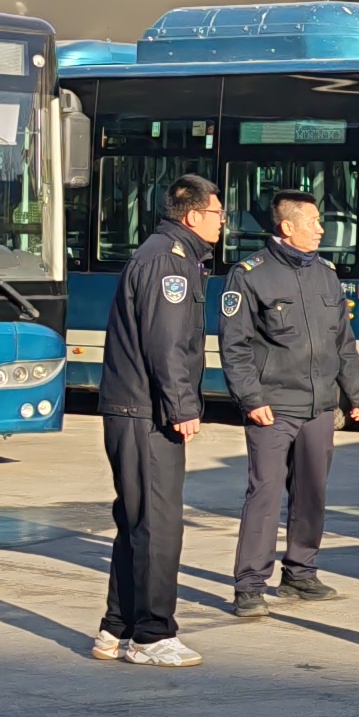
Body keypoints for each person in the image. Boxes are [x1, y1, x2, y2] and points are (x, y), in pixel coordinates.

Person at [223, 191, 359, 620]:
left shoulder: (326, 274)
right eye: (313, 222)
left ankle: (300, 573)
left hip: (319, 406)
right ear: (287, 227)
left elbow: (343, 343)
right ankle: (250, 586)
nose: (321, 230)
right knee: (265, 494)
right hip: (272, 407)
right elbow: (234, 346)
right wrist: (250, 399)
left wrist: (357, 394)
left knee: (312, 493)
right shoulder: (250, 275)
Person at [95, 176, 222, 665]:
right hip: (146, 411)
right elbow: (165, 344)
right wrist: (182, 406)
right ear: (193, 216)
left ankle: (117, 627)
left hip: (134, 408)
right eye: (218, 214)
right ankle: (152, 634)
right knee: (159, 524)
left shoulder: (167, 254)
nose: (222, 223)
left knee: (137, 521)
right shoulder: (170, 262)